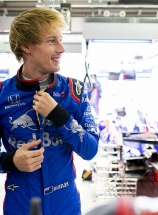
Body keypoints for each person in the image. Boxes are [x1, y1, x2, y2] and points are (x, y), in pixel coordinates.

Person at [0, 8, 98, 215]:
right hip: (21, 205)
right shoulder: (1, 94)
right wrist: (10, 161)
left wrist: (59, 116)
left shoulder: (75, 91)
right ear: (26, 46)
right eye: (52, 41)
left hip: (66, 205)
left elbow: (90, 150)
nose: (61, 48)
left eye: (60, 40)